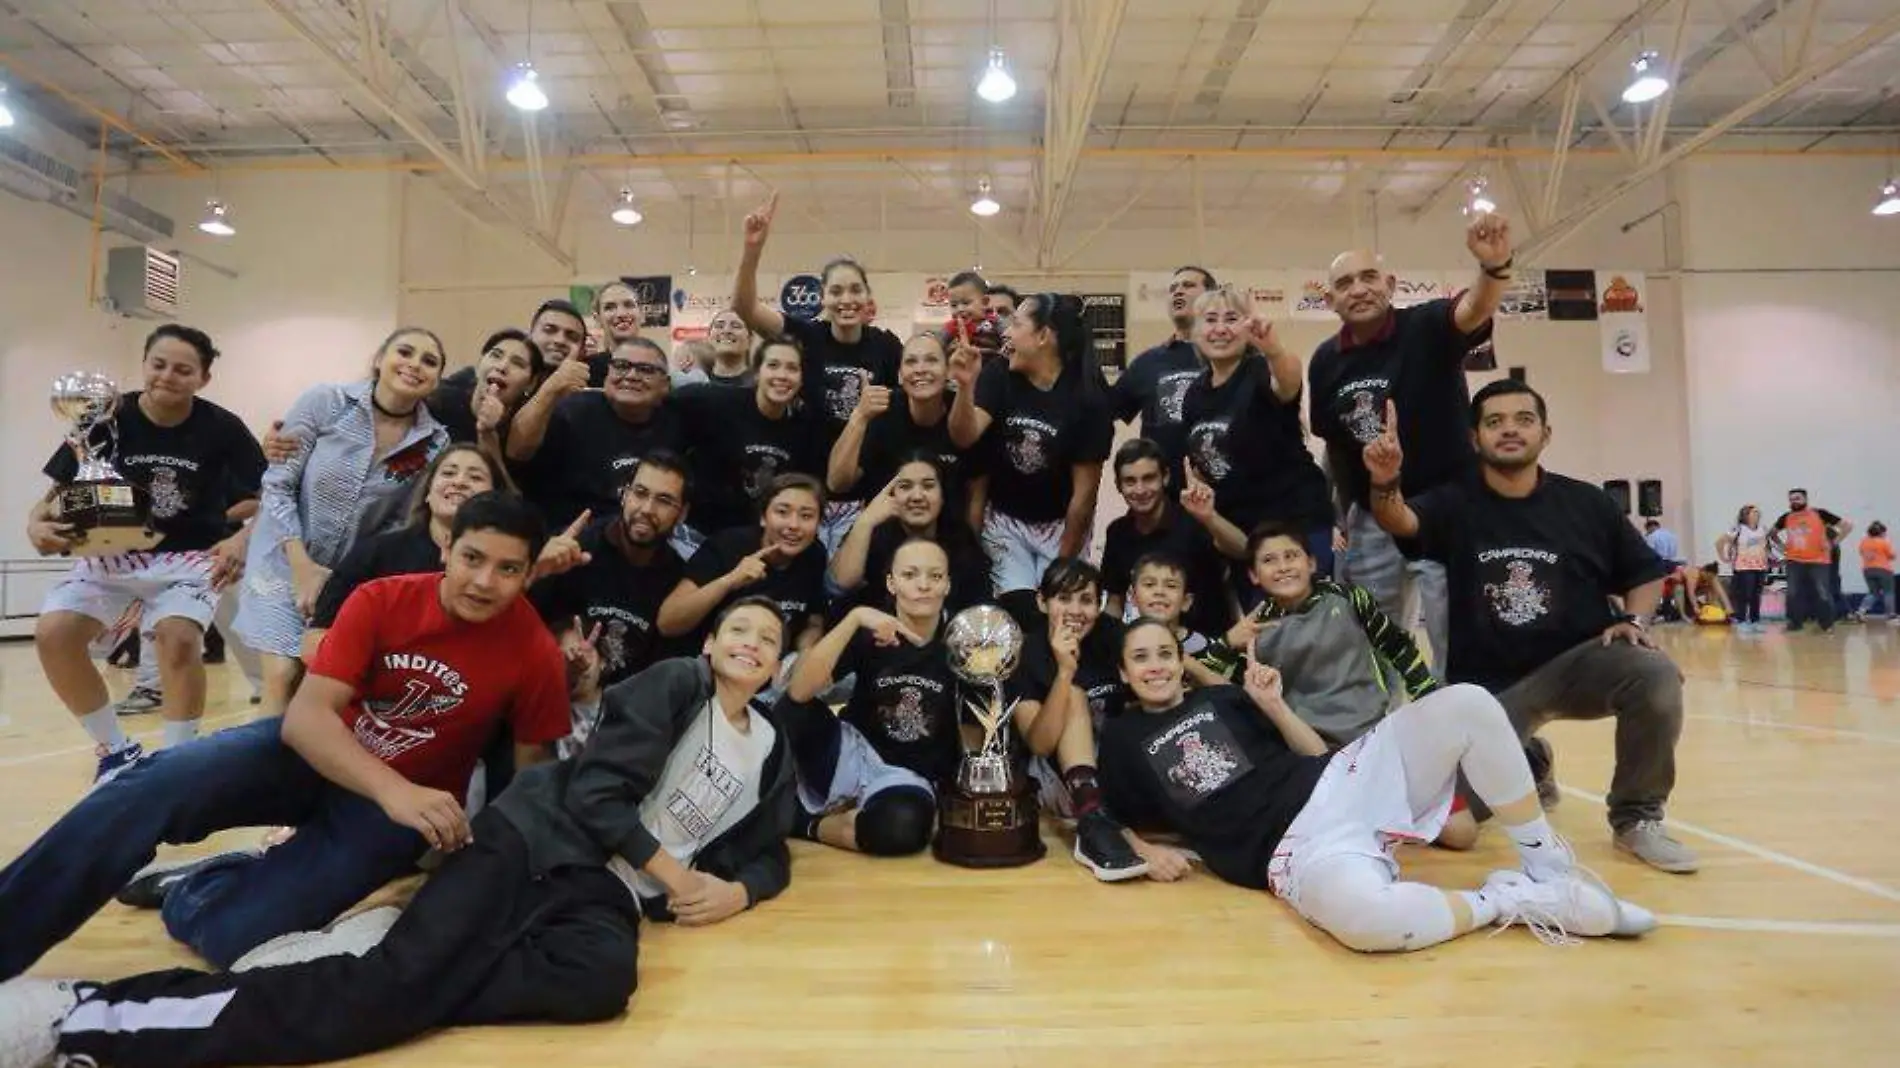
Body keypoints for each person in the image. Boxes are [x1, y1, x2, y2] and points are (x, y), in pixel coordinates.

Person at [1, 598, 796, 1068]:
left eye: (768, 640)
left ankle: (393, 947)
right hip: (536, 838)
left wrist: (737, 888)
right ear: (708, 642)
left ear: (779, 666)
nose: (751, 644)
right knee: (384, 996)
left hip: (604, 891)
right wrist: (679, 874)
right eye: (738, 630)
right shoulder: (674, 682)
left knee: (599, 985)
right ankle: (87, 1017)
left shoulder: (771, 744)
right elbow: (594, 797)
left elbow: (772, 849)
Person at [0, 492, 569, 982]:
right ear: (445, 548)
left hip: (392, 815)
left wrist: (484, 865)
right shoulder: (382, 598)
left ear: (528, 573)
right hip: (313, 755)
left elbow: (530, 774)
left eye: (507, 569)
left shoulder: (535, 651)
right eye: (472, 558)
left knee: (234, 938)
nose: (483, 581)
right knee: (144, 787)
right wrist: (394, 787)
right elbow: (306, 719)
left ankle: (197, 885)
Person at [1101, 619, 1655, 952]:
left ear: (1182, 661)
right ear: (1124, 673)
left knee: (1469, 703)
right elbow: (1104, 816)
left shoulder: (1221, 698)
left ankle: (1549, 870)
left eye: (1165, 654)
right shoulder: (1124, 739)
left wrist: (1272, 706)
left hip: (1337, 782)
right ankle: (1510, 900)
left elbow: (1314, 753)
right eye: (1141, 658)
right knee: (1367, 925)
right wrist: (1144, 851)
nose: (1155, 667)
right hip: (1292, 854)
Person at [1365, 380, 1695, 873]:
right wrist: (1385, 481)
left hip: (1577, 664)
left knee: (1653, 674)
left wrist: (1634, 619)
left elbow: (1645, 574)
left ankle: (1637, 818)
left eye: (1523, 419)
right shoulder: (1456, 503)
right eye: (1494, 422)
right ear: (1476, 438)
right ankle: (1530, 758)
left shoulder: (1587, 503)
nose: (1510, 430)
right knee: (1450, 827)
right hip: (1490, 693)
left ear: (1546, 432)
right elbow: (1403, 523)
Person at [27, 326, 265, 775]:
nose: (167, 376)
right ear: (144, 365)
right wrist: (35, 522)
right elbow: (59, 490)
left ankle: (177, 765)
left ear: (203, 378)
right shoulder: (104, 419)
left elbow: (274, 495)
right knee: (54, 634)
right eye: (158, 364)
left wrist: (241, 538)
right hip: (111, 554)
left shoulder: (224, 428)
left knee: (176, 640)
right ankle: (115, 751)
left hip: (190, 558)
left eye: (183, 369)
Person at [1306, 213, 1512, 674]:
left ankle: (1461, 739)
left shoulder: (1427, 326)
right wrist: (1343, 514)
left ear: (1391, 284)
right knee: (1374, 644)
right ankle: (1381, 741)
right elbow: (1334, 445)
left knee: (1454, 638)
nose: (1358, 289)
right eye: (1344, 283)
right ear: (1329, 298)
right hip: (1373, 518)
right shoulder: (1323, 362)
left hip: (1445, 509)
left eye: (1368, 277)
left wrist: (1494, 269)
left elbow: (1473, 310)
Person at [233, 327, 450, 719]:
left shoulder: (435, 442)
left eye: (429, 361)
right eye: (405, 352)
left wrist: (342, 578)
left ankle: (304, 774)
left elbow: (402, 521)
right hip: (284, 559)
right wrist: (300, 565)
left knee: (316, 679)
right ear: (379, 359)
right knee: (281, 674)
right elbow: (279, 485)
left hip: (348, 577)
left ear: (436, 380)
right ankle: (259, 777)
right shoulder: (325, 402)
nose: (415, 364)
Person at [1227, 523, 1477, 849]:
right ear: (1253, 575)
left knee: (1462, 833)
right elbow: (1216, 682)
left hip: (1374, 741)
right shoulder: (1252, 631)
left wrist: (1429, 701)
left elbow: (1398, 646)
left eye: (1292, 556)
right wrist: (1228, 641)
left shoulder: (1349, 598)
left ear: (1312, 563)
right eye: (1270, 560)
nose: (1284, 566)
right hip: (1311, 755)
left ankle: (1380, 807)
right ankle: (1373, 812)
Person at [732, 193, 903, 552]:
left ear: (868, 296)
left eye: (855, 289)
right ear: (822, 297)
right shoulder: (807, 335)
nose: (846, 300)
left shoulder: (886, 346)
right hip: (810, 491)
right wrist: (752, 250)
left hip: (864, 493)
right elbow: (744, 309)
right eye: (836, 291)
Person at [780, 540, 961, 857]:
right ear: (892, 583)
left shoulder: (961, 642)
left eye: (935, 576)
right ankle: (787, 802)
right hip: (853, 749)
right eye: (910, 575)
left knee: (900, 831)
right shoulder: (870, 629)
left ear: (947, 584)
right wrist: (854, 619)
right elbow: (798, 690)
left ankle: (801, 822)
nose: (923, 585)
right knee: (789, 711)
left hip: (907, 774)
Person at [949, 293, 1112, 618]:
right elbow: (964, 437)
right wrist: (965, 387)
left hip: (1061, 524)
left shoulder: (1087, 396)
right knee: (1021, 613)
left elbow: (1084, 497)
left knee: (1057, 609)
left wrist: (1063, 566)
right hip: (1007, 521)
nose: (1006, 331)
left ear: (1043, 336)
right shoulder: (999, 374)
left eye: (1017, 323)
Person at [1179, 285, 1335, 594]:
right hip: (1243, 537)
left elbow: (1289, 382)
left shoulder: (1260, 371)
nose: (1220, 328)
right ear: (1195, 331)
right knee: (1264, 634)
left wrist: (1273, 349)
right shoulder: (1195, 394)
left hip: (1296, 526)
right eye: (1210, 319)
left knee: (1309, 626)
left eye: (1231, 318)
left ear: (1247, 327)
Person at [1007, 558, 1149, 880]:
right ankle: (1093, 820)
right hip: (1057, 778)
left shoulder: (1114, 637)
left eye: (1086, 600)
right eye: (1063, 598)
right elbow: (1040, 744)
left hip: (1114, 763)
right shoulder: (1024, 653)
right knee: (1073, 694)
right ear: (1042, 602)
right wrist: (1065, 672)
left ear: (1099, 606)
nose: (1075, 610)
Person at [305, 444, 507, 647]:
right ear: (427, 492)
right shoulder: (376, 552)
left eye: (475, 477)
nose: (459, 482)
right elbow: (316, 639)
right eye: (448, 473)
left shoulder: (502, 569)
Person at [532, 451, 694, 691]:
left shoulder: (678, 580)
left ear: (682, 514)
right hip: (552, 688)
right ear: (624, 495)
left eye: (664, 501)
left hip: (629, 710)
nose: (647, 508)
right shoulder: (576, 549)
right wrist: (538, 570)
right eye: (640, 493)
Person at [509, 336, 684, 528]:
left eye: (646, 370)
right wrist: (550, 388)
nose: (632, 375)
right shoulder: (572, 411)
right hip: (571, 541)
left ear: (665, 385)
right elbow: (517, 452)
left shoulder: (677, 421)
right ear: (607, 374)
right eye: (621, 366)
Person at [671, 335, 824, 542]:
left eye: (792, 368)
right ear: (756, 373)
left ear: (801, 379)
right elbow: (667, 398)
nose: (782, 375)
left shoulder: (804, 426)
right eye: (773, 365)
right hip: (702, 536)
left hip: (760, 539)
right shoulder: (716, 403)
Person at [659, 473, 829, 657]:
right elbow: (668, 622)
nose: (794, 525)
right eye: (782, 512)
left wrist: (805, 654)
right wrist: (729, 581)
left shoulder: (814, 555)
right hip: (706, 662)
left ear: (818, 523)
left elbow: (813, 621)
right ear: (763, 517)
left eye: (806, 516)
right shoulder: (728, 546)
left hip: (769, 670)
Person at [829, 331, 978, 523]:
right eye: (911, 362)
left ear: (948, 370)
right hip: (887, 533)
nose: (920, 369)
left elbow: (977, 489)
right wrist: (859, 416)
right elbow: (837, 483)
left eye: (931, 360)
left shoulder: (961, 414)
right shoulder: (883, 411)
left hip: (946, 535)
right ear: (899, 374)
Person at [1099, 438, 1240, 638]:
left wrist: (1210, 518)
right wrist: (1107, 645)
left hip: (1210, 646)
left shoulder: (1194, 519)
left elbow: (1243, 551)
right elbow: (1114, 602)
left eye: (1148, 478)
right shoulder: (1117, 532)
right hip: (1153, 647)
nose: (1140, 490)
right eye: (1130, 481)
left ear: (1165, 477)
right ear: (1118, 485)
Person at [829, 454, 992, 617]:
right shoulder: (873, 533)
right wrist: (865, 521)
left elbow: (981, 607)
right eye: (905, 486)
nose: (917, 496)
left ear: (942, 497)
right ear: (891, 495)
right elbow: (840, 586)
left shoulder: (960, 539)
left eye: (928, 486)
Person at [1111, 266, 1216, 471]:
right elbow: (1104, 410)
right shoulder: (1147, 362)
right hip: (1161, 492)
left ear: (1210, 298)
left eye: (1188, 285)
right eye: (1173, 288)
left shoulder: (1228, 357)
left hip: (1219, 490)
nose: (1178, 291)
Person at [418, 328, 547, 449]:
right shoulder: (439, 401)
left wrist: (487, 432)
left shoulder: (525, 431)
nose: (502, 366)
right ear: (479, 365)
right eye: (496, 355)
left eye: (518, 363)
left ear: (531, 383)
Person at [1771, 488, 1850, 633]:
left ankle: (1826, 625)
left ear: (1805, 499)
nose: (1794, 501)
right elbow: (1773, 533)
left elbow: (1847, 526)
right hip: (1794, 561)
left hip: (1819, 561)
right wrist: (1783, 548)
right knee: (1793, 592)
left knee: (1823, 592)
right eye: (1792, 499)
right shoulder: (1786, 517)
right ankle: (1794, 623)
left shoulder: (1820, 514)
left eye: (1798, 498)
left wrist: (1833, 543)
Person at [1717, 504, 1771, 632]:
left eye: (1758, 512)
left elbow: (1766, 546)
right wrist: (1723, 557)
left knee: (1756, 595)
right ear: (1745, 515)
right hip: (1743, 567)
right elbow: (1720, 542)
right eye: (1753, 512)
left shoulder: (1763, 529)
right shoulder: (1738, 529)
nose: (1757, 515)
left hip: (1760, 566)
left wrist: (1771, 559)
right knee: (1744, 594)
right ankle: (1741, 619)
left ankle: (1755, 620)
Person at [704, 308, 758, 387]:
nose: (726, 331)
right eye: (719, 326)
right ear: (708, 337)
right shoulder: (695, 388)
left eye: (736, 326)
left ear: (750, 339)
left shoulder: (761, 387)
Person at [1859, 521, 1894, 620]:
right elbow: (1892, 556)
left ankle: (1861, 611)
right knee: (1888, 591)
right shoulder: (1883, 542)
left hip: (1867, 570)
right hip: (1883, 569)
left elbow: (1862, 553)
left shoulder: (1864, 542)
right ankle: (1890, 614)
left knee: (1873, 593)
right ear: (1881, 532)